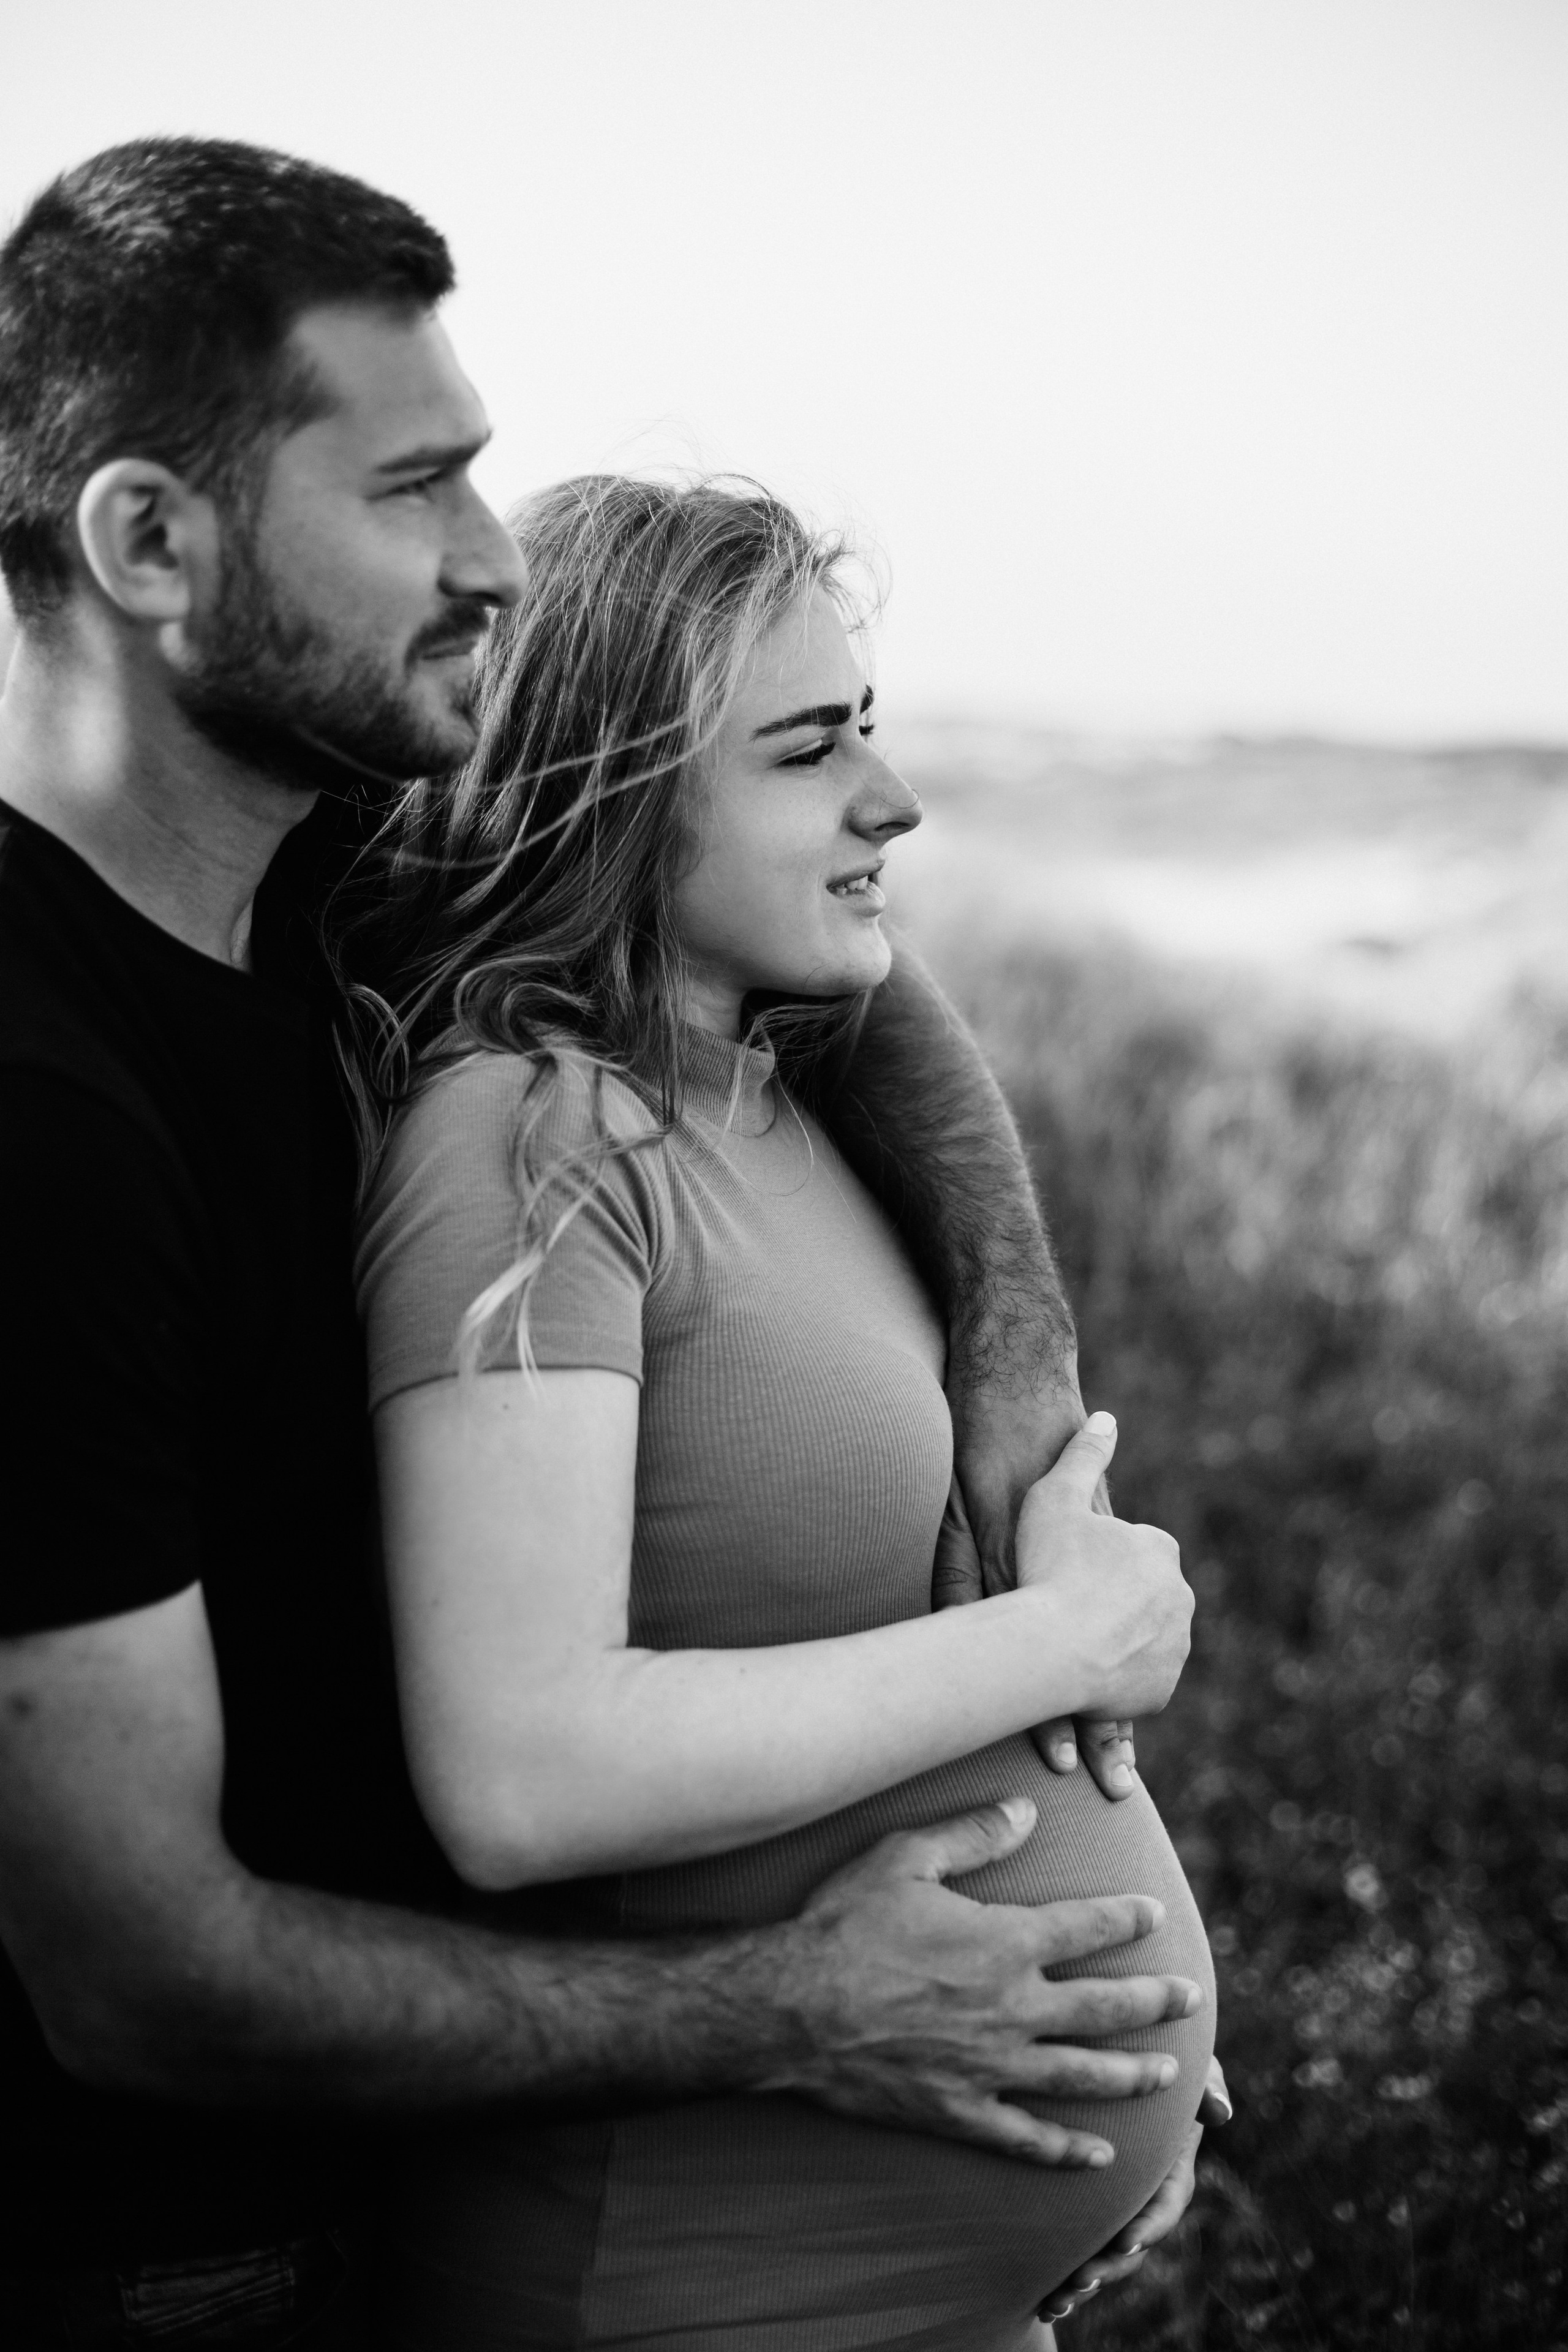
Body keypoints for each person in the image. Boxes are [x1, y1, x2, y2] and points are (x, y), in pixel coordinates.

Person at [0, 140, 1211, 2350]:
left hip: (557, 2185)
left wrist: (1016, 1351)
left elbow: (771, 918)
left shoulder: (322, 848)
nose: (493, 565)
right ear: (148, 545)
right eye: (413, 493)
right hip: (169, 2253)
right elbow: (151, 1963)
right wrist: (816, 2013)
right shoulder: (50, 1117)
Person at [344, 474, 1216, 2350]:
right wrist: (1061, 1637)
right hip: (684, 2278)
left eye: (872, 738)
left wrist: (1115, 2042)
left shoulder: (778, 1097)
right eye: (811, 753)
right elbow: (525, 1772)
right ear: (614, 787)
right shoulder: (534, 1144)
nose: (889, 805)